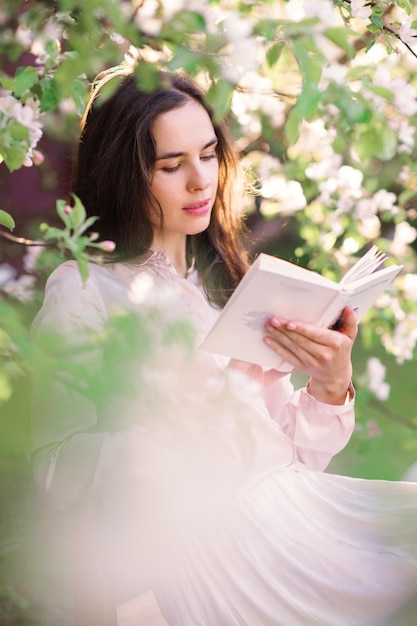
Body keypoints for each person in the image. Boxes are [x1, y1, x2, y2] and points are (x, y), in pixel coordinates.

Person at [31, 64, 417, 626]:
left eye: (209, 155)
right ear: (125, 172)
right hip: (222, 558)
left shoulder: (224, 287)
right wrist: (197, 410)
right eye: (171, 165)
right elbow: (53, 467)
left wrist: (330, 382)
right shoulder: (87, 289)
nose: (200, 181)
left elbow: (293, 456)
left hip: (295, 517)